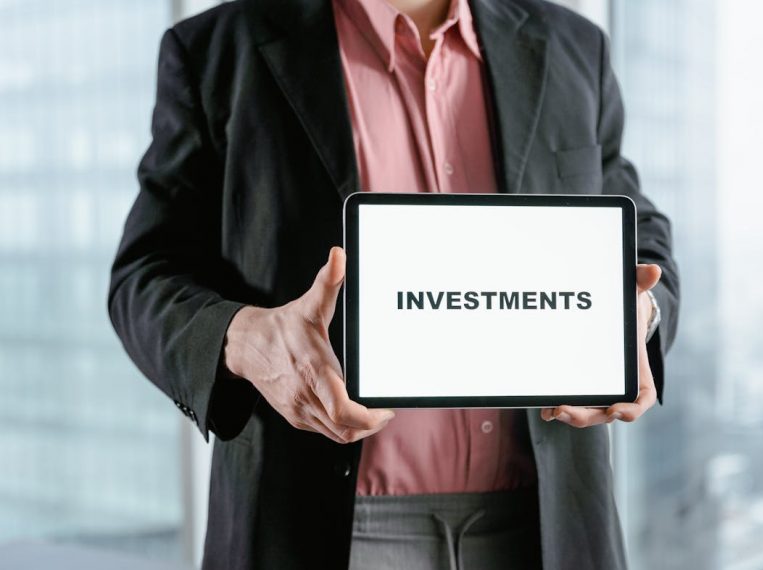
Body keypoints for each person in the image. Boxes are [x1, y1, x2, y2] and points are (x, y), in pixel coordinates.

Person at [108, 0, 679, 567]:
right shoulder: (217, 50)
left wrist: (639, 313)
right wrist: (244, 338)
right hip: (317, 530)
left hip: (550, 528)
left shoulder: (574, 44)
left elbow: (636, 228)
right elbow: (144, 273)